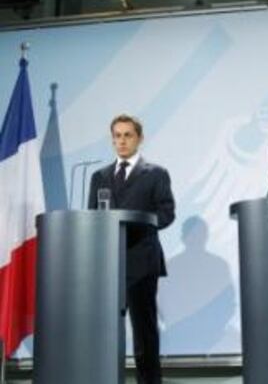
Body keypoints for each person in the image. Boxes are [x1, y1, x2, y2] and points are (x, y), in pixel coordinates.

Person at [88, 114, 175, 384]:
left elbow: (166, 212)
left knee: (143, 332)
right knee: (105, 331)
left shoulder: (156, 173)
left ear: (139, 138)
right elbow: (93, 217)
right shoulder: (99, 176)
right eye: (117, 135)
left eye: (127, 135)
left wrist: (140, 224)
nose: (121, 141)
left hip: (141, 260)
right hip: (109, 264)